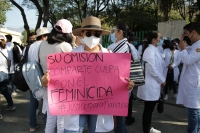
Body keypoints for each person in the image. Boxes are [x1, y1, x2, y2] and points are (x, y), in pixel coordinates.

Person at [41, 16, 134, 133]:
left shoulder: (110, 56)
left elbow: (119, 86)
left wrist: (128, 86)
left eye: (97, 34)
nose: (92, 37)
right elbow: (60, 84)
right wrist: (47, 82)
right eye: (89, 33)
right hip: (76, 108)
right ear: (82, 34)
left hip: (101, 108)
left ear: (100, 36)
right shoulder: (70, 57)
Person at [38, 19, 73, 133]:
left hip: (48, 87)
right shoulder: (66, 46)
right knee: (61, 121)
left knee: (50, 120)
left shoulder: (42, 44)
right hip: (63, 89)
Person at [107, 23, 138, 132]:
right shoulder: (131, 47)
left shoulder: (113, 48)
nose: (112, 33)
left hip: (115, 88)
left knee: (117, 120)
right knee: (119, 119)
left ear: (120, 32)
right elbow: (136, 68)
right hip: (127, 86)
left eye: (113, 31)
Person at [137, 31, 166, 133]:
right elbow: (152, 69)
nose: (161, 38)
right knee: (148, 110)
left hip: (154, 83)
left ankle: (148, 127)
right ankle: (147, 129)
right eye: (160, 37)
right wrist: (162, 80)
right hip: (150, 85)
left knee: (150, 109)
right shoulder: (149, 51)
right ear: (154, 40)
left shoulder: (155, 49)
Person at [176, 22, 200, 133]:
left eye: (185, 33)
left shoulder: (199, 46)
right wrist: (182, 46)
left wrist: (183, 49)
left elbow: (188, 60)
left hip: (194, 85)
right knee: (192, 111)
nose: (184, 35)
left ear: (193, 32)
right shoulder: (192, 46)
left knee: (193, 112)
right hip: (189, 83)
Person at [26, 27, 49, 132]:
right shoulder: (44, 45)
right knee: (46, 101)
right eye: (47, 35)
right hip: (42, 76)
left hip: (31, 77)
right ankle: (46, 125)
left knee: (33, 102)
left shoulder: (29, 46)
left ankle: (32, 125)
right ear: (43, 36)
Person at [0, 34, 16, 111]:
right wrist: (8, 70)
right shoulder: (7, 50)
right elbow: (9, 62)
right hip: (5, 72)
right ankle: (11, 105)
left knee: (4, 90)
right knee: (4, 90)